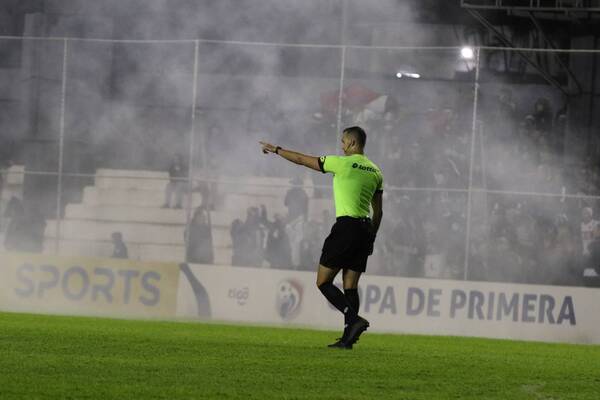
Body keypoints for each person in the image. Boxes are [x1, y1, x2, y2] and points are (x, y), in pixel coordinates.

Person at [260, 126, 384, 349]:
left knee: (323, 281)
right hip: (365, 230)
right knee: (350, 287)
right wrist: (371, 238)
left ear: (353, 144)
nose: (342, 145)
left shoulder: (341, 163)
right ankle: (347, 340)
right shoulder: (376, 171)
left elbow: (300, 159)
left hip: (346, 226)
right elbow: (379, 212)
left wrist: (277, 150)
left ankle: (353, 319)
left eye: (344, 141)